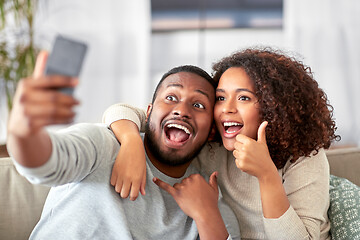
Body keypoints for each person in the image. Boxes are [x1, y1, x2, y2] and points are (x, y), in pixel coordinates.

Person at [102, 47, 340, 240]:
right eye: (221, 98)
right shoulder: (213, 146)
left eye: (244, 98)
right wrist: (132, 143)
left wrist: (267, 175)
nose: (227, 108)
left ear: (273, 107)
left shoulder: (305, 156)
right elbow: (123, 111)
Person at [7, 51, 240, 240]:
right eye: (170, 98)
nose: (181, 110)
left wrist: (206, 214)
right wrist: (23, 130)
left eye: (198, 105)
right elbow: (43, 163)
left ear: (211, 131)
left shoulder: (209, 198)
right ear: (148, 113)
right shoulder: (104, 145)